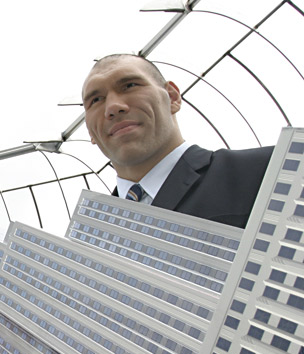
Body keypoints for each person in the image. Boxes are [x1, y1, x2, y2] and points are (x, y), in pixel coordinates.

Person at [82, 53, 274, 229]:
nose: (113, 107)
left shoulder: (269, 172)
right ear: (90, 130)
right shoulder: (88, 241)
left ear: (172, 97)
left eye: (130, 85)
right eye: (96, 100)